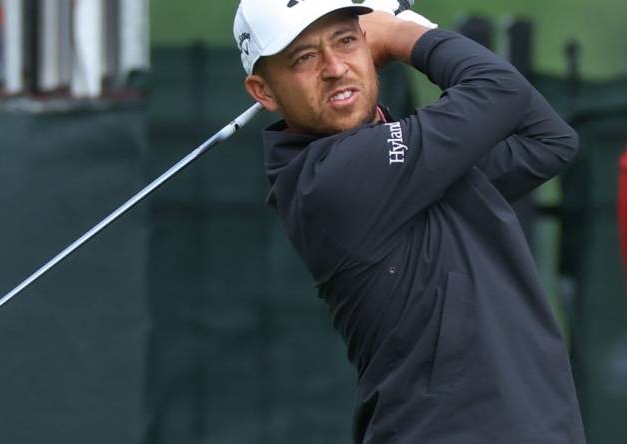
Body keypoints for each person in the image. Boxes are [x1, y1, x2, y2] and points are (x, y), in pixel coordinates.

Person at [233, 0, 587, 442]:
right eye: (304, 57)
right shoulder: (329, 181)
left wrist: (409, 31)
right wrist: (404, 35)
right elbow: (498, 91)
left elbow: (549, 140)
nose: (335, 67)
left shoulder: (411, 167)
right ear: (264, 92)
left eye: (345, 41)